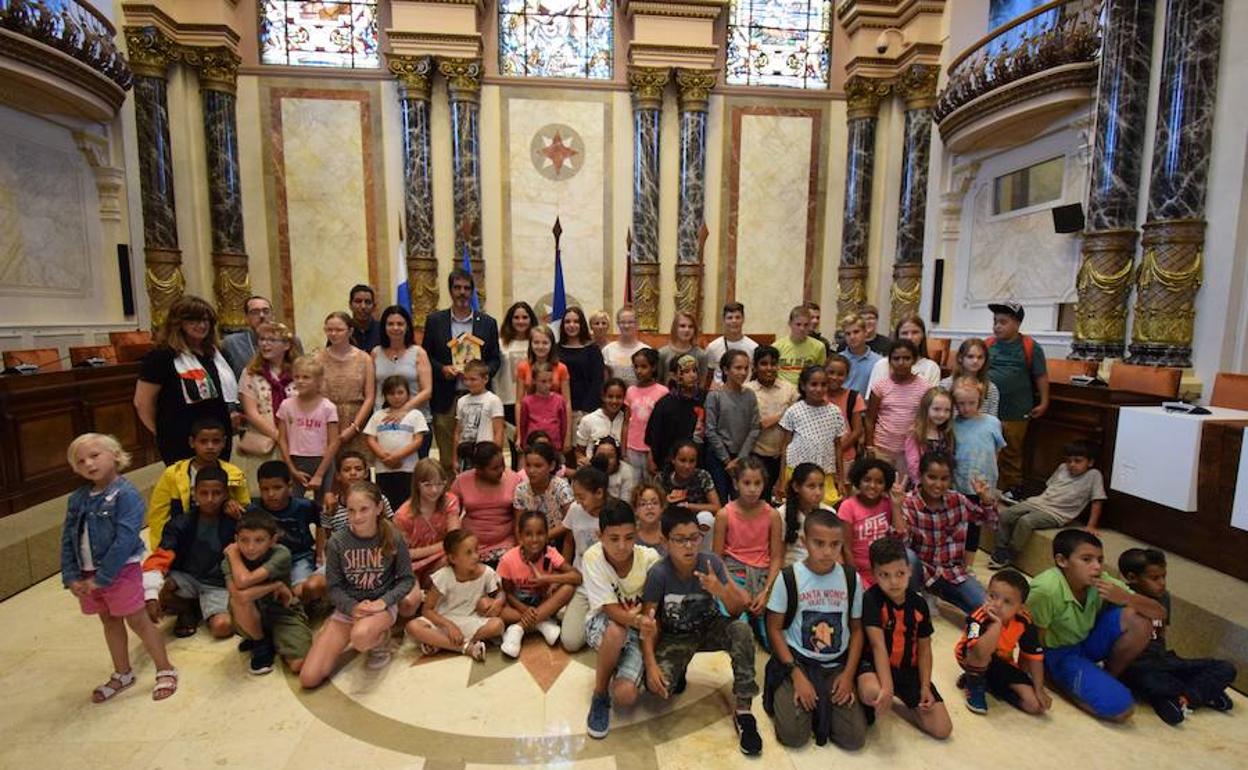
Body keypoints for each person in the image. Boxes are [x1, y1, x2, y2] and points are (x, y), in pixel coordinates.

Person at [61, 433, 177, 702]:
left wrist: (103, 577)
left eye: (95, 455)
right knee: (109, 620)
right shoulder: (77, 499)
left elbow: (124, 540)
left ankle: (165, 668)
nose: (89, 464)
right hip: (89, 575)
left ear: (114, 455)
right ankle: (122, 672)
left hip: (120, 571)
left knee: (138, 620)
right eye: (80, 461)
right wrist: (71, 576)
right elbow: (68, 538)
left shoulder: (126, 495)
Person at [641, 505, 763, 756]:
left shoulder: (712, 563)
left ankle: (744, 711)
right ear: (665, 542)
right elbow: (648, 623)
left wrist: (719, 589)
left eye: (694, 538)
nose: (689, 546)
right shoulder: (658, 574)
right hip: (677, 635)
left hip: (710, 627)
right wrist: (651, 664)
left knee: (741, 631)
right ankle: (680, 669)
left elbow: (737, 609)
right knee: (657, 688)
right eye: (680, 540)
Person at [1026, 529, 1164, 721]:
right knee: (1122, 709)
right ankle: (1059, 682)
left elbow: (1159, 613)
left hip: (1086, 642)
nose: (1097, 567)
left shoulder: (1101, 581)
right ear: (1062, 561)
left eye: (1100, 560)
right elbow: (1032, 639)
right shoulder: (1046, 589)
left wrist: (1126, 597)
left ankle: (1108, 676)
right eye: (1087, 559)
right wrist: (1038, 682)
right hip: (1058, 652)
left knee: (1140, 619)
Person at [762, 510, 866, 750]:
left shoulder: (851, 579)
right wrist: (796, 675)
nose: (827, 551)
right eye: (819, 543)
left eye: (835, 544)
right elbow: (774, 629)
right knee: (793, 736)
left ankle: (824, 707)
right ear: (804, 541)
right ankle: (797, 696)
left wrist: (848, 675)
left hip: (835, 664)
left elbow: (857, 630)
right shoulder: (789, 578)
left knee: (853, 739)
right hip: (797, 662)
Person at [300, 481, 415, 686]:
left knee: (361, 636)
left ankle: (382, 638)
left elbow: (407, 579)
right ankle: (338, 630)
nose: (357, 517)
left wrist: (384, 602)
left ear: (378, 508)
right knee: (309, 678)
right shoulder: (337, 542)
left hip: (380, 606)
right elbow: (333, 587)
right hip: (348, 610)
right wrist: (351, 607)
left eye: (364, 509)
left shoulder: (393, 537)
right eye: (351, 511)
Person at [1117, 548, 1237, 724]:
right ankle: (1201, 692)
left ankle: (1184, 698)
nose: (1162, 583)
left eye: (1164, 576)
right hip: (1135, 665)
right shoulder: (1120, 599)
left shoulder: (1163, 597)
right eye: (1155, 578)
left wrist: (1166, 662)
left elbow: (1160, 633)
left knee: (1226, 668)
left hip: (1162, 660)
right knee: (1148, 680)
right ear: (1132, 578)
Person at [857, 537, 952, 739]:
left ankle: (901, 703)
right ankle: (882, 696)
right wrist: (887, 686)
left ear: (910, 570)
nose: (893, 582)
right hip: (876, 666)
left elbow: (925, 648)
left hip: (909, 669)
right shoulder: (871, 599)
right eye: (885, 575)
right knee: (871, 692)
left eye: (900, 574)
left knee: (943, 729)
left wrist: (925, 686)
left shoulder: (919, 604)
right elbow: (877, 646)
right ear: (874, 574)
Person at [583, 501, 662, 738]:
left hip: (640, 630)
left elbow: (651, 614)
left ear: (636, 533)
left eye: (629, 537)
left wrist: (650, 660)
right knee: (616, 631)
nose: (622, 546)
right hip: (604, 624)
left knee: (626, 695)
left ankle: (617, 662)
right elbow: (610, 610)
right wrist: (637, 621)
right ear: (600, 535)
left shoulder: (650, 559)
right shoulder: (592, 557)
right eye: (613, 538)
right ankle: (599, 695)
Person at [134, 295, 238, 465]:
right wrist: (161, 432)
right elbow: (142, 403)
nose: (202, 325)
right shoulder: (162, 356)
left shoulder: (217, 354)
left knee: (217, 483)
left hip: (217, 433)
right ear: (178, 323)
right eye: (194, 320)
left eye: (206, 320)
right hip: (180, 436)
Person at [143, 464, 237, 639]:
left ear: (225, 494)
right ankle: (187, 609)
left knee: (222, 628)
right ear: (194, 493)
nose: (210, 499)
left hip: (217, 583)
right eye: (204, 493)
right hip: (186, 577)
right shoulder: (180, 523)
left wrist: (241, 518)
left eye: (216, 493)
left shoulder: (235, 521)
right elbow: (163, 554)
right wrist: (151, 594)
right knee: (150, 591)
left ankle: (197, 608)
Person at [423, 269, 502, 475]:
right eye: (457, 288)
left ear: (472, 292)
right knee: (449, 460)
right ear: (450, 290)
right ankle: (452, 502)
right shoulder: (435, 321)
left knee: (481, 456)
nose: (462, 292)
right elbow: (425, 356)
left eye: (467, 288)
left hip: (480, 398)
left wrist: (481, 374)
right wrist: (442, 369)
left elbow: (495, 359)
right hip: (447, 399)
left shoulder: (487, 323)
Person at [990, 439, 1106, 569]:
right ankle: (1000, 549)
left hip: (1057, 513)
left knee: (1026, 521)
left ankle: (1010, 553)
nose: (1072, 464)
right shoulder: (1062, 468)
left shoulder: (1094, 475)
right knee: (1006, 514)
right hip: (1038, 502)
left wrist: (1091, 525)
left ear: (1090, 462)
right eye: (1069, 461)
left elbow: (1097, 501)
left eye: (1078, 461)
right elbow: (1050, 488)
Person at [903, 451, 996, 613]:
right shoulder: (908, 502)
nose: (938, 484)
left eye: (944, 479)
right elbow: (900, 543)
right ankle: (918, 597)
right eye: (932, 477)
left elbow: (990, 522)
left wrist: (986, 500)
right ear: (921, 476)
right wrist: (897, 510)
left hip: (952, 572)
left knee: (986, 610)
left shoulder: (957, 500)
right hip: (922, 571)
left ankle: (944, 595)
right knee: (907, 556)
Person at [223, 510, 313, 675]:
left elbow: (245, 581)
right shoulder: (232, 558)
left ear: (273, 540)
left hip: (283, 612)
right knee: (239, 600)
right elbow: (239, 594)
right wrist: (274, 586)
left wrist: (233, 553)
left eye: (259, 540)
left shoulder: (281, 553)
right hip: (247, 614)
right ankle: (260, 642)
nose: (250, 547)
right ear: (236, 540)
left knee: (299, 665)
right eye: (244, 540)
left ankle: (274, 638)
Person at [144, 418, 249, 553]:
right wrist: (162, 549)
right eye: (203, 441)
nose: (210, 446)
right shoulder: (173, 474)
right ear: (192, 442)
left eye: (216, 441)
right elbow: (158, 515)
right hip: (184, 538)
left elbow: (245, 511)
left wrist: (234, 509)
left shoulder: (235, 474)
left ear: (224, 442)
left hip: (222, 537)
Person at [954, 568, 1050, 715]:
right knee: (979, 655)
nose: (997, 604)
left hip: (1001, 662)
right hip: (971, 658)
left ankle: (990, 683)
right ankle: (974, 684)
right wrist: (996, 625)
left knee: (1034, 705)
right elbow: (975, 651)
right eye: (992, 596)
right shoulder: (976, 618)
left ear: (1020, 608)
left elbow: (1034, 657)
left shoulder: (1024, 621)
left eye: (1007, 602)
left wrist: (1039, 689)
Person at [407, 529, 504, 662]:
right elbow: (427, 610)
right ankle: (465, 647)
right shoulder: (443, 576)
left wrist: (498, 601)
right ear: (453, 558)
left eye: (476, 550)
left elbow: (501, 593)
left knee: (497, 625)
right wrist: (449, 626)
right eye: (469, 553)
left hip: (470, 619)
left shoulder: (486, 573)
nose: (476, 556)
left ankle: (441, 643)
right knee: (413, 626)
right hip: (443, 620)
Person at [713, 458, 783, 640]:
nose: (752, 489)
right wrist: (735, 589)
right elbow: (717, 559)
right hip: (733, 574)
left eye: (757, 483)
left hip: (763, 577)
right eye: (747, 483)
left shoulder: (772, 515)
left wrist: (766, 591)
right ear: (736, 484)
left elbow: (776, 558)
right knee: (738, 628)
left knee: (772, 637)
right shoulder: (724, 515)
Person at [497, 510, 582, 657]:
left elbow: (577, 577)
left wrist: (546, 579)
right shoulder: (508, 559)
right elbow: (508, 592)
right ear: (520, 536)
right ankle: (541, 623)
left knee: (568, 588)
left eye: (540, 533)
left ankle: (518, 628)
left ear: (547, 534)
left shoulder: (550, 553)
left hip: (542, 601)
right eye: (529, 534)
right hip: (518, 605)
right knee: (499, 611)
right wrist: (524, 609)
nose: (535, 539)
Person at [986, 302, 1049, 496]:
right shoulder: (988, 344)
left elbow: (1041, 376)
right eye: (995, 322)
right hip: (988, 409)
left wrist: (1045, 401)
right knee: (989, 450)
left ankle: (1012, 488)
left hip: (1016, 410)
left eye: (1003, 322)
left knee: (1012, 451)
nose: (997, 326)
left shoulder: (1030, 347)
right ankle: (990, 486)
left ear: (1017, 324)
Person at [250, 461, 324, 605]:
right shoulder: (253, 509)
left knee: (301, 591)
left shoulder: (304, 506)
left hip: (299, 557)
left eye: (277, 488)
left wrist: (320, 554)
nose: (271, 494)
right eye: (265, 489)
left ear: (289, 486)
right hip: (267, 561)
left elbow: (321, 525)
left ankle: (310, 606)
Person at [558, 465, 615, 652]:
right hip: (582, 581)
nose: (578, 501)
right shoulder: (575, 510)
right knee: (570, 642)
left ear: (599, 492)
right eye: (576, 496)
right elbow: (568, 539)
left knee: (615, 636)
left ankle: (597, 617)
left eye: (582, 496)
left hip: (610, 584)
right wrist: (566, 567)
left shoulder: (616, 511)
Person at [236, 321, 297, 494]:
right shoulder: (250, 373)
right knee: (264, 491)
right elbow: (251, 412)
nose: (264, 344)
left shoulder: (297, 372)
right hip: (264, 442)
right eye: (262, 339)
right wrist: (279, 436)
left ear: (286, 345)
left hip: (294, 443)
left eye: (271, 340)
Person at [776, 365, 846, 507]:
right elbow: (785, 446)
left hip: (825, 471)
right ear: (803, 385)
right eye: (813, 384)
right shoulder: (794, 411)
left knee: (824, 510)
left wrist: (840, 478)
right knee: (797, 509)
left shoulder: (835, 412)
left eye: (823, 384)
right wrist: (782, 479)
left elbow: (838, 447)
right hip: (796, 470)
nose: (819, 389)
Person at [950, 378, 1004, 559]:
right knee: (957, 524)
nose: (966, 408)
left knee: (975, 526)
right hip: (959, 483)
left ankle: (969, 564)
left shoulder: (992, 422)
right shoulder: (953, 424)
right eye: (961, 404)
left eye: (971, 403)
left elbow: (996, 451)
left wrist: (992, 479)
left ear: (980, 401)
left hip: (983, 485)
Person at [276, 355, 340, 507]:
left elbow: (334, 442)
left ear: (318, 381)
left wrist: (319, 475)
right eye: (296, 377)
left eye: (306, 377)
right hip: (296, 461)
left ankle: (322, 532)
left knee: (323, 509)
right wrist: (292, 469)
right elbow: (282, 439)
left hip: (322, 462)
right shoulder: (286, 405)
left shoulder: (328, 407)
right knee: (293, 505)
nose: (300, 381)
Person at [372, 305, 433, 459]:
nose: (395, 328)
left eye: (400, 324)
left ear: (407, 327)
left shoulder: (418, 353)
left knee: (417, 474)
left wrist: (403, 410)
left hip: (415, 420)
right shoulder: (375, 353)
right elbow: (373, 390)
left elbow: (427, 390)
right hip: (383, 421)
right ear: (384, 327)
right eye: (390, 324)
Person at [865, 339, 931, 473]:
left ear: (914, 360)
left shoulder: (924, 387)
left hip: (909, 451)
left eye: (906, 358)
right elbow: (869, 419)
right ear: (890, 361)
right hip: (881, 448)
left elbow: (926, 420)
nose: (901, 363)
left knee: (903, 489)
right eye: (896, 358)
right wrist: (869, 446)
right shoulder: (880, 387)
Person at [452, 442, 522, 567]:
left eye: (503, 465)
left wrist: (519, 548)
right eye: (495, 468)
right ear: (479, 469)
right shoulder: (461, 481)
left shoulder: (514, 479)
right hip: (470, 545)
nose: (501, 470)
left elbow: (519, 519)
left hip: (505, 544)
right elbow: (451, 515)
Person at [838, 458, 905, 588]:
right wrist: (856, 579)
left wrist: (896, 506)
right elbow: (846, 548)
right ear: (858, 481)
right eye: (867, 480)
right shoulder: (848, 506)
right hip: (860, 572)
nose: (872, 486)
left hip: (887, 569)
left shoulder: (888, 503)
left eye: (879, 482)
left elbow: (900, 536)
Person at [364, 375, 428, 509]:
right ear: (384, 396)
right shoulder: (378, 415)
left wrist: (397, 456)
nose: (396, 397)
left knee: (407, 505)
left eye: (400, 392)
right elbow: (370, 438)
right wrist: (384, 456)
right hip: (383, 469)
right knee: (387, 504)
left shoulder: (415, 414)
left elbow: (418, 440)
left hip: (408, 468)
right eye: (391, 393)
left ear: (408, 394)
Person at [394, 458, 461, 588]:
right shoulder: (403, 515)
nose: (434, 490)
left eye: (439, 484)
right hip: (412, 564)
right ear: (417, 485)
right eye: (427, 485)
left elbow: (454, 539)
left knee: (452, 558)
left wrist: (444, 548)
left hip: (441, 559)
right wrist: (441, 546)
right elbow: (403, 553)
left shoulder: (450, 501)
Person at [704, 350, 760, 501]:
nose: (742, 372)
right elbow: (710, 430)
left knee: (742, 500)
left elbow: (755, 428)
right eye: (738, 368)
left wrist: (740, 459)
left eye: (746, 368)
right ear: (725, 369)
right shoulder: (715, 396)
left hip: (743, 456)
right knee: (721, 500)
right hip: (719, 457)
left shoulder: (750, 395)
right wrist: (727, 460)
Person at [318, 311, 375, 456]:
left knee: (356, 469)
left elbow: (369, 397)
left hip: (357, 419)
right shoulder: (317, 358)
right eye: (329, 330)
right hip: (327, 420)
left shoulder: (364, 358)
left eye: (339, 330)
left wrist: (355, 426)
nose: (333, 334)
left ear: (350, 331)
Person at [746, 345, 797, 504]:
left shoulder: (789, 390)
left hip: (783, 456)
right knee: (758, 499)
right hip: (756, 454)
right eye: (764, 363)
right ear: (755, 366)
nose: (769, 368)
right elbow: (753, 424)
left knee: (780, 500)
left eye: (773, 364)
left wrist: (777, 419)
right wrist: (783, 415)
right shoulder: (747, 390)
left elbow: (797, 419)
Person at [645, 356, 705, 478]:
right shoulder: (665, 403)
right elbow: (654, 435)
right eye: (686, 371)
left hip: (699, 463)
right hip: (668, 463)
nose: (692, 375)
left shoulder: (706, 399)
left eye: (695, 370)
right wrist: (651, 458)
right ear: (674, 375)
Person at [318, 449, 396, 543]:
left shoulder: (380, 499)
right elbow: (327, 539)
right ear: (338, 475)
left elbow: (392, 531)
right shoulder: (331, 505)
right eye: (347, 470)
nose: (353, 473)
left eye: (358, 469)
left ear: (366, 473)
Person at [559, 307, 607, 452]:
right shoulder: (556, 349)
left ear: (582, 325)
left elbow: (597, 382)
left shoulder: (592, 350)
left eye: (576, 321)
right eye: (567, 321)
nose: (571, 325)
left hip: (586, 410)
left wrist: (586, 410)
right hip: (561, 409)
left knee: (583, 452)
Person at [498, 302, 536, 467]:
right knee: (515, 446)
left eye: (525, 317)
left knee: (533, 446)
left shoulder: (537, 342)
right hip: (507, 400)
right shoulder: (501, 343)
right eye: (516, 317)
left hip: (532, 401)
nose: (521, 321)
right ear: (510, 320)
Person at [512, 442, 574, 544]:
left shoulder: (561, 488)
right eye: (528, 465)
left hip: (559, 541)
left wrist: (541, 539)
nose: (531, 471)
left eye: (538, 466)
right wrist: (523, 546)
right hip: (530, 542)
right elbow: (519, 524)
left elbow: (569, 522)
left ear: (552, 466)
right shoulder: (521, 490)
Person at [866, 314, 942, 393]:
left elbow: (932, 402)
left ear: (922, 335)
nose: (910, 337)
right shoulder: (882, 365)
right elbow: (871, 399)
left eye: (915, 332)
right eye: (904, 333)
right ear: (898, 336)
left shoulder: (931, 368)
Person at [452, 360, 505, 471]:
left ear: (485, 379)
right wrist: (455, 459)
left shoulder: (493, 400)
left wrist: (496, 456)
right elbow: (458, 432)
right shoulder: (461, 401)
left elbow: (498, 431)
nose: (468, 383)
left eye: (473, 379)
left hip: (485, 454)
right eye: (465, 379)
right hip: (466, 453)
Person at [624, 348, 667, 478]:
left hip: (651, 449)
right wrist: (623, 450)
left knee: (651, 485)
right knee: (634, 486)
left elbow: (663, 425)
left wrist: (655, 450)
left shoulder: (663, 392)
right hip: (632, 447)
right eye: (636, 367)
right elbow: (626, 422)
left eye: (644, 367)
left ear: (653, 367)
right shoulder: (631, 391)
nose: (639, 371)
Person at [780, 463, 832, 567]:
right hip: (792, 572)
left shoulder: (829, 512)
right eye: (811, 486)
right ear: (796, 487)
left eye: (821, 486)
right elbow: (779, 556)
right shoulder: (782, 514)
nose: (818, 492)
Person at [825, 353, 866, 479]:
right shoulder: (816, 396)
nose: (835, 377)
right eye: (830, 372)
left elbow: (857, 430)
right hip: (819, 455)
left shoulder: (853, 397)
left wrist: (837, 450)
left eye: (840, 374)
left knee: (844, 493)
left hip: (846, 455)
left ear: (847, 376)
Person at [903, 387, 955, 483]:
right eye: (936, 409)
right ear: (926, 408)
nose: (942, 414)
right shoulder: (915, 433)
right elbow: (913, 465)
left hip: (942, 485)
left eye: (947, 410)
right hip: (921, 485)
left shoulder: (946, 433)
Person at [940, 338, 1000, 417]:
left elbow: (992, 420)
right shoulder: (945, 385)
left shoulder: (991, 389)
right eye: (970, 356)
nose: (975, 361)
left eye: (980, 357)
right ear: (960, 358)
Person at [705, 302, 759, 389]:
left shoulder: (753, 347)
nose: (734, 321)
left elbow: (755, 375)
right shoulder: (713, 347)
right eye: (730, 318)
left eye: (737, 317)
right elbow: (708, 375)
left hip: (744, 393)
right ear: (723, 320)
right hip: (720, 394)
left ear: (743, 319)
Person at [575, 378, 628, 466]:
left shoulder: (627, 421)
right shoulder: (588, 420)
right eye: (610, 397)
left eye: (619, 397)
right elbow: (579, 451)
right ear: (603, 397)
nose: (614, 401)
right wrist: (582, 460)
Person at [659, 440, 720, 516]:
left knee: (706, 517)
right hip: (670, 520)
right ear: (673, 460)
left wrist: (688, 506)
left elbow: (716, 507)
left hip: (697, 521)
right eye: (682, 460)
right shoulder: (662, 478)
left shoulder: (702, 476)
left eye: (692, 461)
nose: (687, 466)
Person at [519, 362, 570, 452]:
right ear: (534, 381)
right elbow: (523, 424)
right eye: (543, 381)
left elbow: (564, 424)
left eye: (550, 381)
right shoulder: (527, 401)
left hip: (554, 445)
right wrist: (523, 443)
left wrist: (564, 441)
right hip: (533, 445)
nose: (547, 385)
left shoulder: (559, 400)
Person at [222, 295, 277, 378]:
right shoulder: (232, 343)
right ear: (246, 318)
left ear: (273, 316)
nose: (262, 315)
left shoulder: (290, 340)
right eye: (255, 312)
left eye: (266, 311)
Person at [601, 305, 651, 388]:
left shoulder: (646, 350)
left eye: (630, 322)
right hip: (615, 398)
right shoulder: (608, 350)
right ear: (618, 324)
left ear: (637, 324)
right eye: (622, 322)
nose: (626, 326)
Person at [775, 305, 826, 387]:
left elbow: (821, 374)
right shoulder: (777, 347)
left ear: (810, 325)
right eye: (798, 324)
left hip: (808, 392)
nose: (802, 328)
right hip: (784, 393)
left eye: (806, 325)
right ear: (790, 324)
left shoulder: (819, 347)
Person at [657, 311, 708, 388]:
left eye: (691, 326)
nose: (687, 330)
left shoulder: (701, 355)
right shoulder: (662, 353)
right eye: (682, 326)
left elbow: (702, 383)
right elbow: (658, 382)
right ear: (675, 328)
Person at [838, 313, 881, 396]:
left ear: (865, 332)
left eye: (856, 332)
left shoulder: (878, 362)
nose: (852, 337)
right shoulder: (838, 359)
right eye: (848, 334)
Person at [631, 482, 666, 553]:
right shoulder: (631, 536)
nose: (649, 507)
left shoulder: (670, 532)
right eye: (643, 504)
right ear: (635, 510)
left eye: (654, 503)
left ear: (662, 508)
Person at [347, 284, 382, 352]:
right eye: (358, 301)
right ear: (350, 305)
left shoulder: (383, 330)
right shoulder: (341, 331)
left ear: (374, 306)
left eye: (368, 302)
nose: (363, 306)